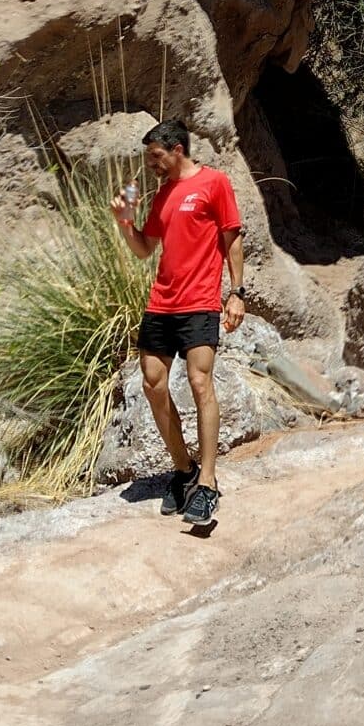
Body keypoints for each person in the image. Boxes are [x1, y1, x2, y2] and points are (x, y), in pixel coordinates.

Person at [110, 118, 246, 529]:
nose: (151, 164)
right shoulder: (163, 196)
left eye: (156, 156)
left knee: (201, 383)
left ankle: (207, 483)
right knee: (153, 384)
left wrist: (236, 293)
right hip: (161, 304)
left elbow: (232, 237)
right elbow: (144, 249)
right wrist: (125, 222)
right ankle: (184, 470)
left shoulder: (214, 183)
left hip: (201, 302)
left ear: (177, 150)